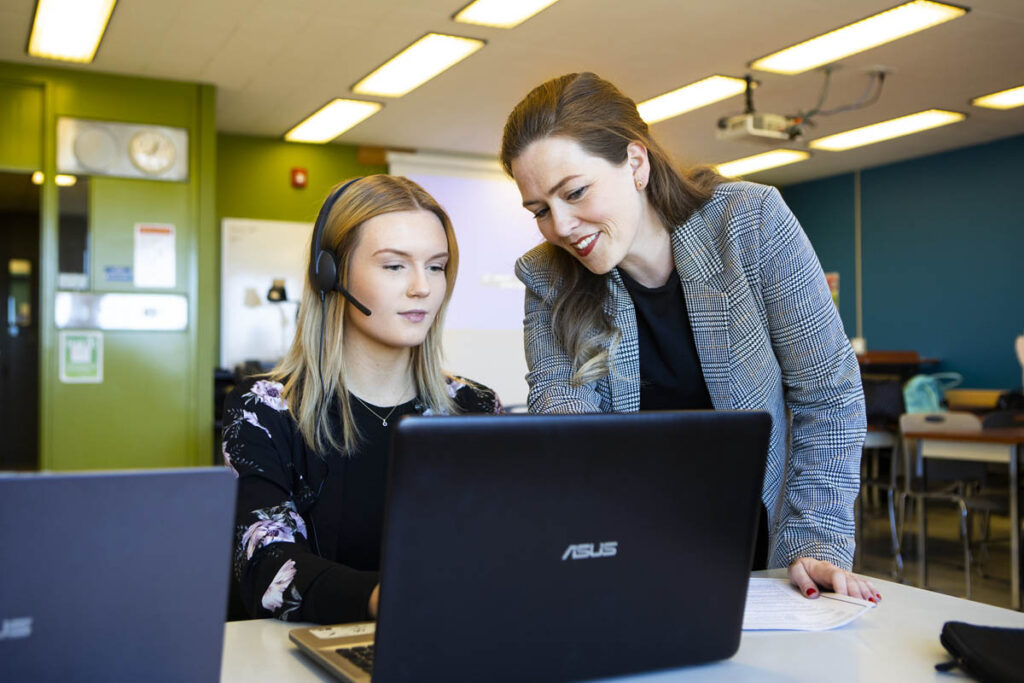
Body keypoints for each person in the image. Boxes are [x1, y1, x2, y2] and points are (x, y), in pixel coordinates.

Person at [500, 72, 877, 602]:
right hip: (632, 549)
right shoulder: (547, 278)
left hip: (765, 544)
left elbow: (828, 394)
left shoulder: (750, 223)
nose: (560, 226)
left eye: (575, 192)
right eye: (539, 210)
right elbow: (563, 425)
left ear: (636, 163)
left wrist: (815, 539)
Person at [222, 175, 502, 623]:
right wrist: (384, 600)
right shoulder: (265, 410)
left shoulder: (473, 406)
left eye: (435, 266)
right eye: (395, 266)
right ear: (330, 273)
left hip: (444, 641)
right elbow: (266, 565)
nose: (422, 288)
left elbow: (497, 546)